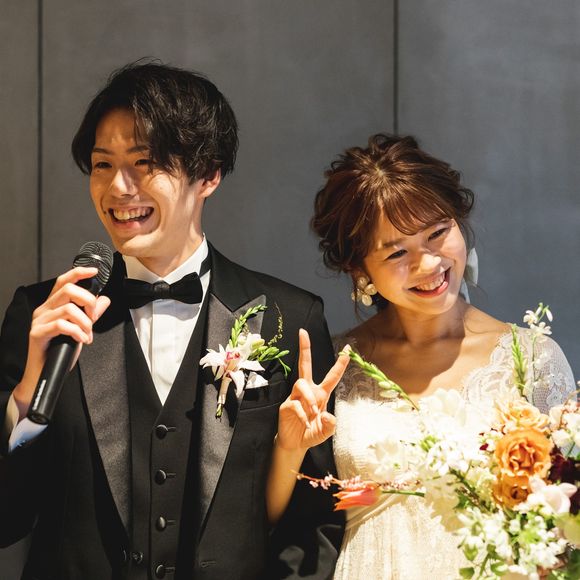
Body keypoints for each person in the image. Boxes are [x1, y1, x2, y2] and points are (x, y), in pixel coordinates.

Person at [0, 61, 344, 579]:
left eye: (144, 163)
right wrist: (27, 397)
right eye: (102, 164)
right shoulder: (43, 315)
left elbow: (316, 521)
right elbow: (7, 521)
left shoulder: (288, 317)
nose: (119, 188)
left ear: (209, 175)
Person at [267, 134, 576, 579]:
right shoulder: (333, 369)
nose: (428, 264)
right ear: (359, 270)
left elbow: (566, 523)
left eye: (437, 233)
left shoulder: (532, 358)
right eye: (397, 252)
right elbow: (277, 521)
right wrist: (289, 447)